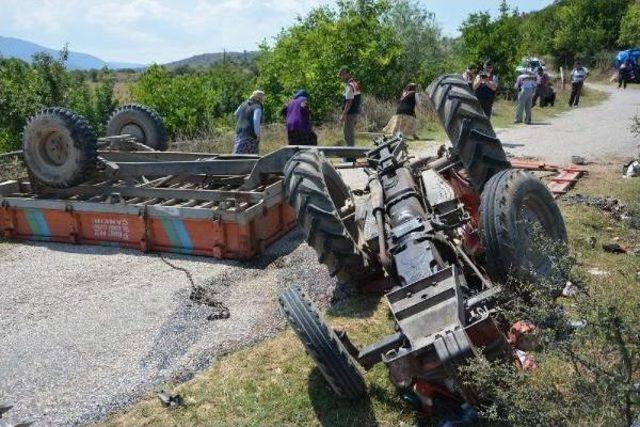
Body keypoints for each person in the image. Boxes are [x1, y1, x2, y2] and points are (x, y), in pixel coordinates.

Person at [338, 66, 363, 161]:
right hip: (355, 112)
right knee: (350, 134)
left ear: (347, 74)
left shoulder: (349, 85)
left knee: (348, 134)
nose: (341, 77)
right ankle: (351, 156)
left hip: (350, 113)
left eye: (342, 75)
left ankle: (350, 157)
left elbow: (349, 101)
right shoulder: (355, 84)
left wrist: (343, 114)